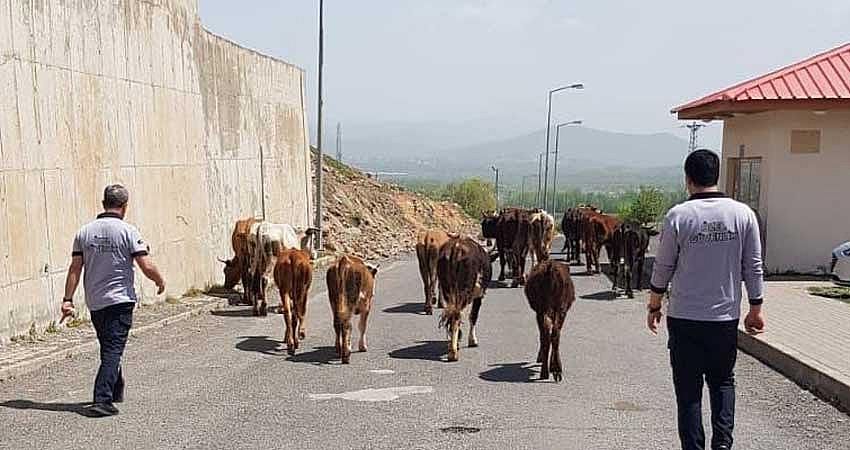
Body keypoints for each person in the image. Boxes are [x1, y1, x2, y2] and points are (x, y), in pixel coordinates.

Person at [647, 149, 765, 450]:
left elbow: (663, 265)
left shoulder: (679, 216)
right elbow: (752, 265)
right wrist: (756, 308)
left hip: (684, 317)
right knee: (723, 382)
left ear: (688, 179)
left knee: (688, 392)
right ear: (717, 176)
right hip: (724, 318)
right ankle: (723, 445)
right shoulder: (743, 214)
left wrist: (655, 303)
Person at [60, 184, 165, 417]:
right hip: (120, 300)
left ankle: (116, 388)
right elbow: (145, 264)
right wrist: (160, 281)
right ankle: (102, 399)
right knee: (113, 349)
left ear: (103, 203)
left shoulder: (84, 232)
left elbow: (75, 268)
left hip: (96, 301)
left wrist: (68, 299)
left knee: (108, 346)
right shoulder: (128, 231)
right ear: (124, 207)